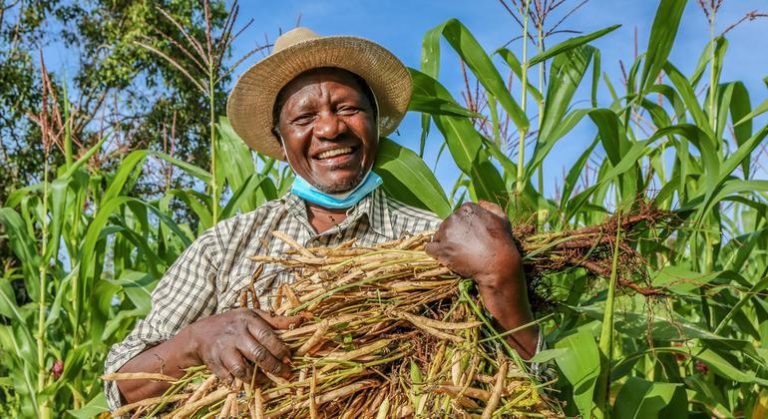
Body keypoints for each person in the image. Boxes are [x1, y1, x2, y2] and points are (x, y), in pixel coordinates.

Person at [104, 27, 540, 410]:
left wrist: (501, 275)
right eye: (305, 117)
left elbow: (531, 391)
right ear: (281, 138)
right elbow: (120, 385)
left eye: (349, 109)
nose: (330, 129)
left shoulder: (436, 244)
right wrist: (194, 341)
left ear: (375, 124)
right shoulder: (227, 245)